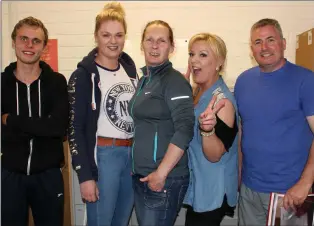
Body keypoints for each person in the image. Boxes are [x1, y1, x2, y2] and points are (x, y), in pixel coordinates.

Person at [235, 18, 314, 226]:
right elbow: (244, 130)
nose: (265, 47)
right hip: (250, 190)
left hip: (290, 194)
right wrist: (239, 176)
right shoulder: (243, 81)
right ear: (251, 48)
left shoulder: (306, 80)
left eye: (271, 40)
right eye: (258, 42)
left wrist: (306, 182)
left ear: (283, 43)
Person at [68, 2, 137, 226]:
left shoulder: (130, 70)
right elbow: (75, 130)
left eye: (119, 35)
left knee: (121, 220)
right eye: (106, 35)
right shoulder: (83, 75)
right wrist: (85, 177)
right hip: (104, 156)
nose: (113, 41)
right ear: (96, 36)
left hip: (131, 156)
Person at [1, 16, 68, 226]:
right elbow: (47, 127)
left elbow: (58, 127)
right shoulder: (2, 84)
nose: (29, 45)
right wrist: (42, 125)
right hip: (10, 176)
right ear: (14, 42)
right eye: (24, 39)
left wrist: (11, 120)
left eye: (36, 41)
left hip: (48, 177)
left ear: (44, 46)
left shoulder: (57, 83)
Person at [128, 20, 195, 226]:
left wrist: (161, 173)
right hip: (144, 177)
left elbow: (185, 129)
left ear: (171, 47)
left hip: (163, 180)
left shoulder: (174, 81)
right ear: (142, 45)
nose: (155, 46)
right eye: (149, 40)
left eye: (162, 41)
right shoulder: (145, 80)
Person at [183, 33, 239, 226]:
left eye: (203, 55)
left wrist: (207, 131)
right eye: (192, 54)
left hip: (212, 192)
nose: (194, 60)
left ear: (219, 62)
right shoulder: (197, 93)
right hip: (199, 187)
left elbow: (215, 154)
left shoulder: (221, 101)